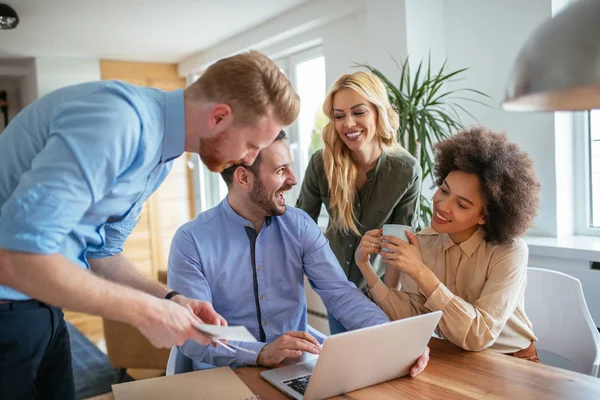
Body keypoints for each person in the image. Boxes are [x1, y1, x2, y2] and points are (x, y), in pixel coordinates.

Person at [0, 50, 300, 399]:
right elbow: (18, 258)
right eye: (251, 145)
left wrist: (171, 299)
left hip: (44, 311)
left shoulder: (161, 153)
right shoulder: (117, 122)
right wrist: (146, 312)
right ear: (219, 117)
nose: (249, 159)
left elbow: (103, 253)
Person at [168, 131, 429, 374]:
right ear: (243, 178)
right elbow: (195, 334)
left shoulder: (300, 225)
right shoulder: (191, 240)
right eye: (281, 170)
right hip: (223, 375)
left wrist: (398, 340)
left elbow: (340, 293)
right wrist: (260, 353)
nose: (293, 180)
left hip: (292, 369)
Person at [355, 127, 541, 362]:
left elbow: (478, 336)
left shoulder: (510, 251)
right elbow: (412, 314)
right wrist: (365, 267)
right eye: (444, 190)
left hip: (511, 359)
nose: (442, 206)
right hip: (453, 357)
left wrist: (420, 271)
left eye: (462, 205)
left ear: (485, 216)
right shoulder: (423, 242)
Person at [296, 71, 422, 334]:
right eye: (339, 115)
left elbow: (398, 243)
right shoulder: (322, 164)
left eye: (359, 112)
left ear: (378, 112)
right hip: (335, 287)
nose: (348, 124)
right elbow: (301, 225)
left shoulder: (406, 170)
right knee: (349, 365)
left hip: (377, 287)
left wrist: (389, 299)